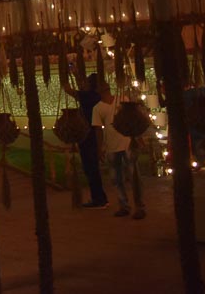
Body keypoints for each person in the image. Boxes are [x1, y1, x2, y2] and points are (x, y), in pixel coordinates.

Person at [92, 81, 146, 219]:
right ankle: (124, 205)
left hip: (127, 143)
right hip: (112, 146)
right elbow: (98, 130)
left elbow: (132, 118)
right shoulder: (97, 108)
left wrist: (138, 137)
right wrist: (100, 148)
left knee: (134, 176)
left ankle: (139, 206)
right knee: (116, 179)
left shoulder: (122, 100)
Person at [61, 68, 108, 208]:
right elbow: (81, 88)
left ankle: (98, 199)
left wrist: (64, 78)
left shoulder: (87, 97)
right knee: (93, 168)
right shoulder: (95, 96)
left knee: (90, 168)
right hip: (93, 133)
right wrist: (76, 74)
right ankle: (101, 197)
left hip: (87, 135)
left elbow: (70, 90)